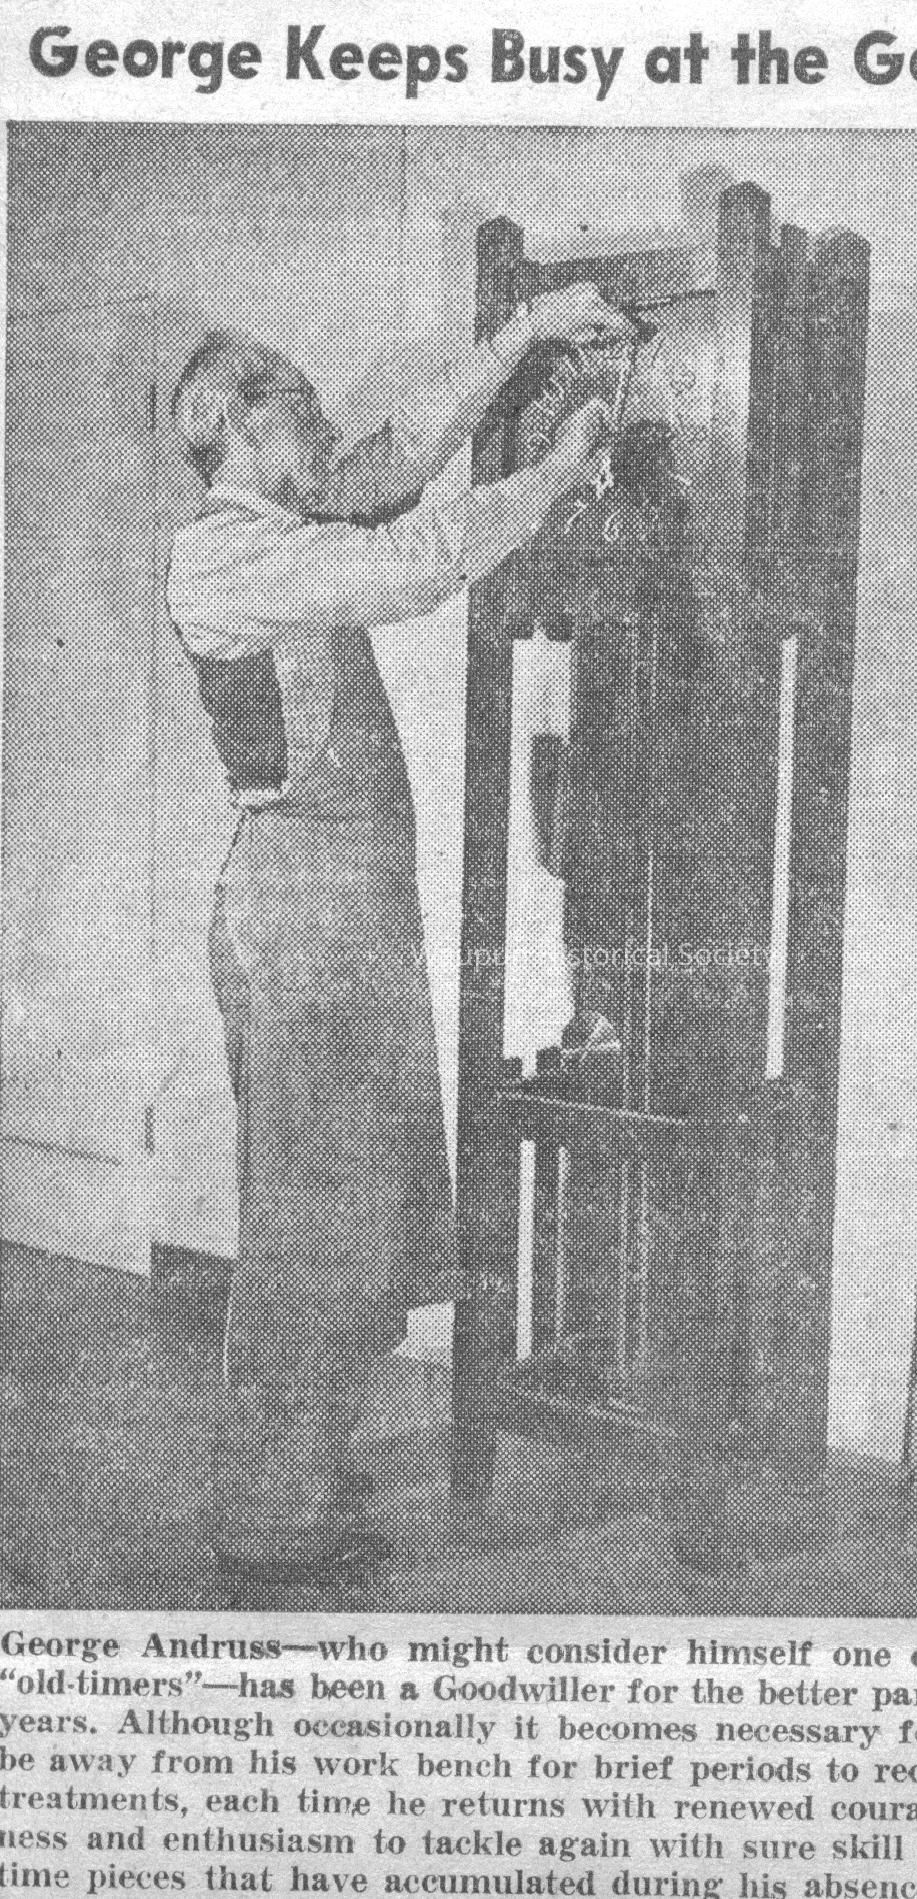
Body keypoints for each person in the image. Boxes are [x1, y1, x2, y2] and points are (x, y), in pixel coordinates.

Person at [166, 283, 626, 1590]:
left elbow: (399, 458)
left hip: (352, 920)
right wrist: (553, 477)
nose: (325, 431)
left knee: (360, 1219)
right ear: (240, 426)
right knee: (311, 1232)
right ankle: (270, 1520)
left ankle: (304, 1472)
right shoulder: (224, 556)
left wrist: (524, 335)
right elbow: (413, 559)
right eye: (302, 413)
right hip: (299, 923)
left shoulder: (291, 519)